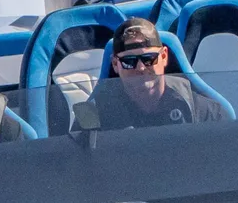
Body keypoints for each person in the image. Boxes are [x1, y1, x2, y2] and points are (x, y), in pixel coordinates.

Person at [72, 17, 223, 131]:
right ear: (115, 64)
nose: (141, 68)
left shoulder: (203, 113)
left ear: (164, 57)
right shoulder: (92, 119)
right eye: (129, 61)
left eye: (149, 58)